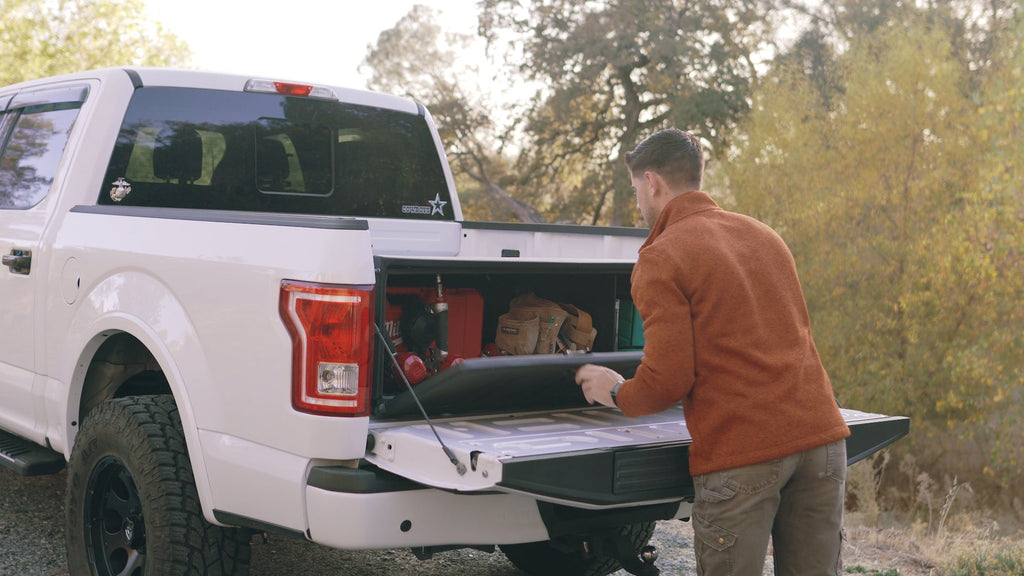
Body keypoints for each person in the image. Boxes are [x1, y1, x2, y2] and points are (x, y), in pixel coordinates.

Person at [576, 128, 851, 575]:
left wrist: (615, 391)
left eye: (636, 192)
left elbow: (667, 380)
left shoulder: (663, 257)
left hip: (744, 453)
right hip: (821, 442)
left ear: (653, 183)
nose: (639, 204)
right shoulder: (765, 237)